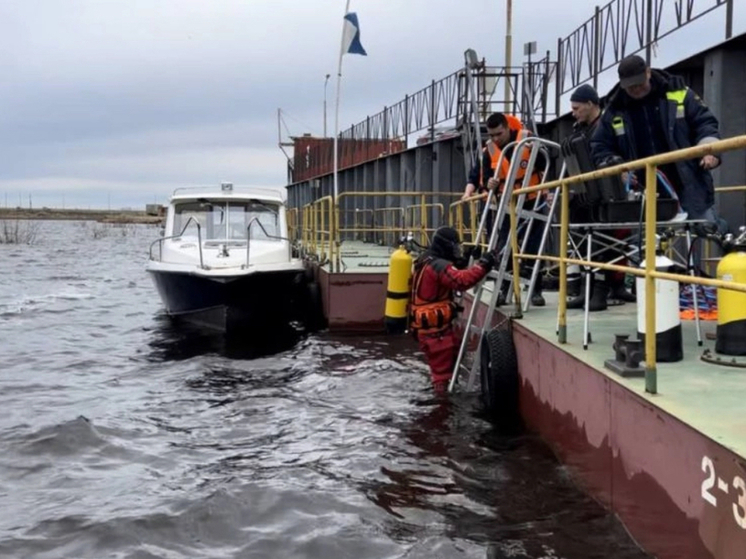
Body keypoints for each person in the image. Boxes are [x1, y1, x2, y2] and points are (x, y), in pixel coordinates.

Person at [591, 54, 722, 225]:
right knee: (649, 247)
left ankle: (721, 233)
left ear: (648, 73)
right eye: (631, 87)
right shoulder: (614, 110)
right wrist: (617, 169)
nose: (636, 90)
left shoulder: (679, 93)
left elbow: (705, 123)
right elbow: (600, 146)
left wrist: (709, 149)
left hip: (689, 184)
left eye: (639, 84)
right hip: (643, 196)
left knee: (706, 232)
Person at [461, 112, 547, 307]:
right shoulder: (489, 151)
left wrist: (537, 150)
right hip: (506, 203)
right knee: (504, 247)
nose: (495, 139)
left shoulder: (527, 140)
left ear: (508, 128)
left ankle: (535, 290)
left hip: (533, 200)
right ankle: (504, 288)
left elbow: (546, 162)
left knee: (534, 246)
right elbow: (483, 178)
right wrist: (489, 184)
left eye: (499, 134)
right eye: (491, 135)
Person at [564, 84, 635, 311]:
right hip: (589, 194)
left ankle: (604, 290)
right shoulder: (581, 130)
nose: (574, 113)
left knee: (607, 242)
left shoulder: (610, 125)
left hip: (612, 193)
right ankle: (589, 289)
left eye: (577, 108)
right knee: (587, 242)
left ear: (591, 104)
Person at [410, 226, 496, 393]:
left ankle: (444, 396)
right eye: (454, 246)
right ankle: (442, 408)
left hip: (429, 330)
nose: (457, 250)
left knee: (449, 363)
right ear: (446, 246)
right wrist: (484, 265)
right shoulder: (438, 267)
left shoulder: (426, 259)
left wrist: (466, 259)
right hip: (436, 334)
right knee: (442, 377)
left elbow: (450, 272)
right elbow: (461, 281)